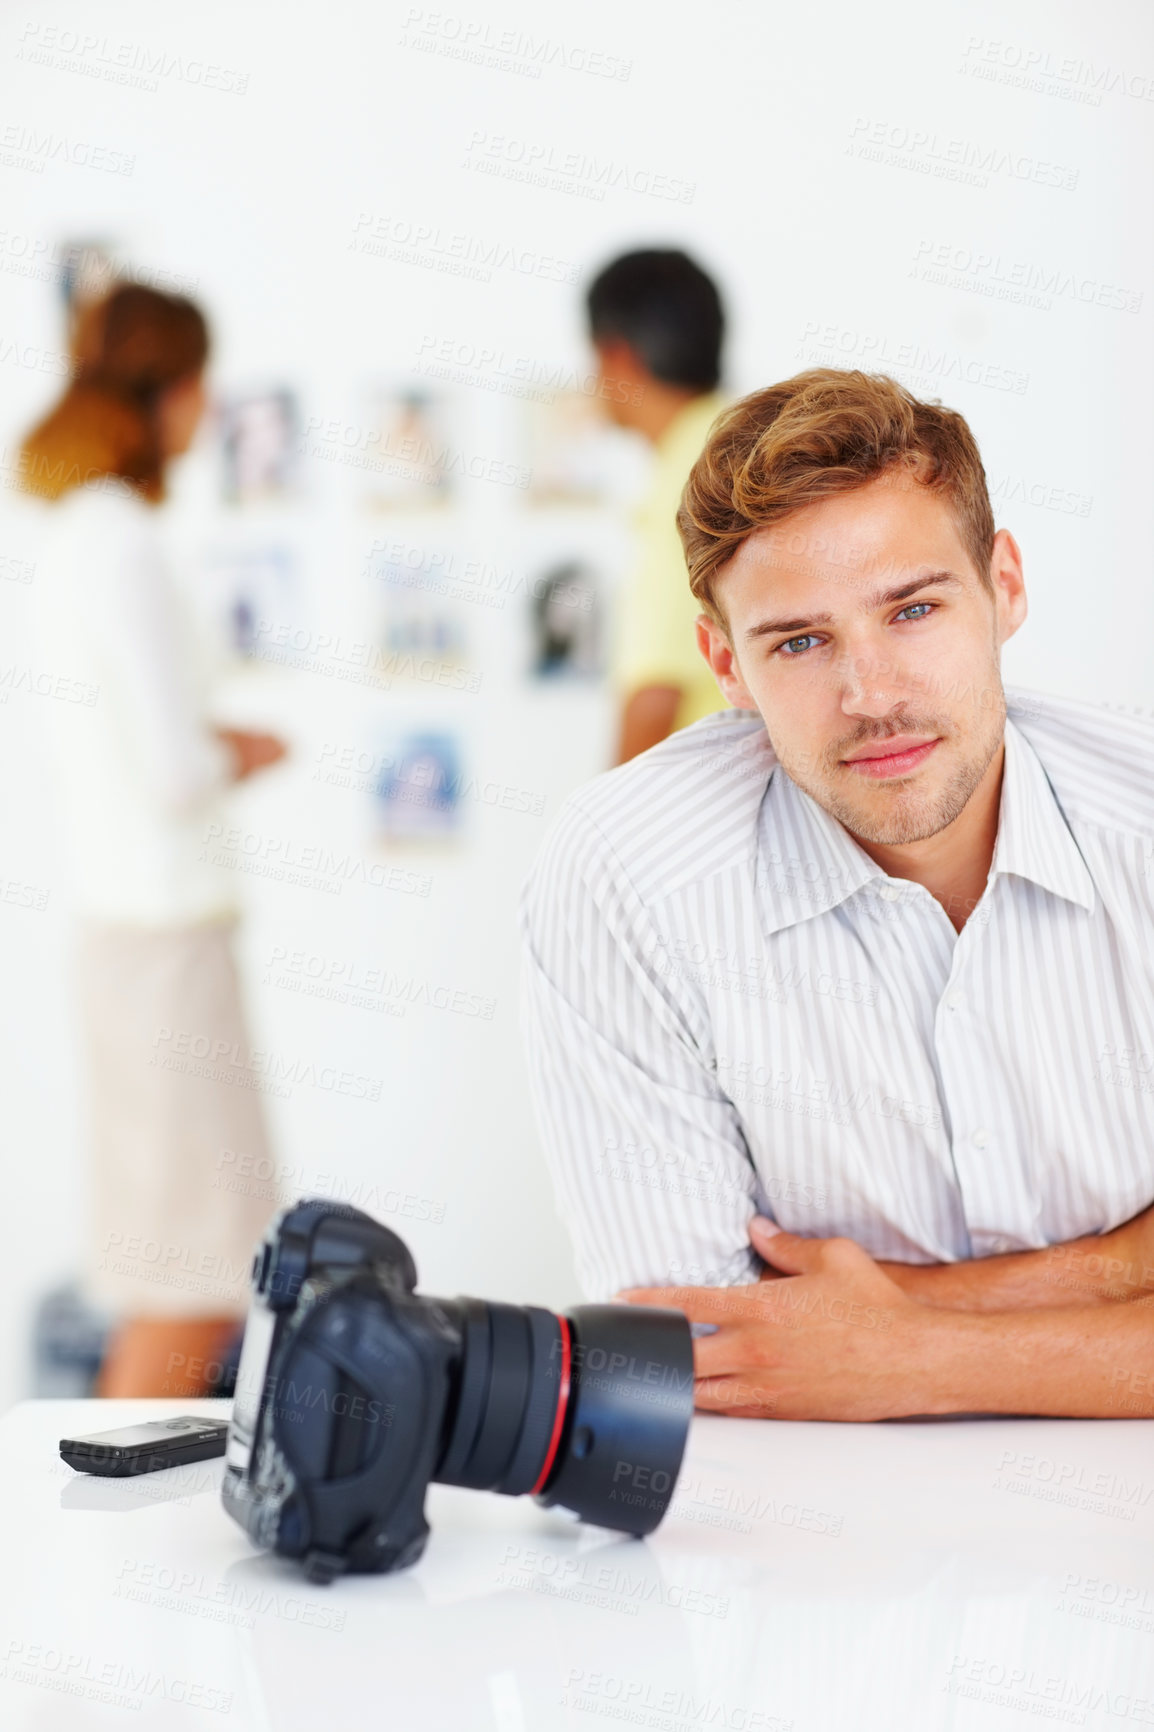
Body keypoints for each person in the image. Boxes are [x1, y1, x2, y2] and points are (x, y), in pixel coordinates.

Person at [520, 368, 1154, 1422]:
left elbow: (790, 1344)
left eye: (911, 608)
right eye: (798, 641)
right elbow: (700, 1348)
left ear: (1002, 587)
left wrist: (911, 1346)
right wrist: (1113, 1276)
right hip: (806, 1542)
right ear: (724, 663)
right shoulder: (626, 875)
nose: (871, 695)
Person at [22, 284, 287, 1397]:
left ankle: (102, 1531)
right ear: (171, 391)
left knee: (181, 1266)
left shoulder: (76, 530)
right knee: (195, 1278)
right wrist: (248, 747)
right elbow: (175, 767)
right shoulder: (121, 541)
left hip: (130, 935)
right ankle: (105, 1533)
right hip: (166, 942)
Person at [586, 249, 729, 762]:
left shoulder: (690, 475)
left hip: (705, 804)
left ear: (616, 356)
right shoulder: (744, 441)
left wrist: (601, 836)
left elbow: (655, 692)